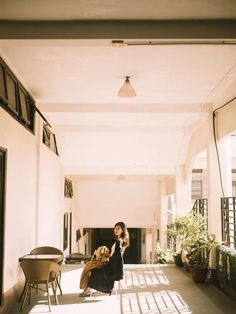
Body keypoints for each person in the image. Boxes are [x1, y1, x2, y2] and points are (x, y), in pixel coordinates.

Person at [79, 221, 129, 296]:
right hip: (111, 265)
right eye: (115, 228)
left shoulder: (119, 241)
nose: (115, 230)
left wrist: (107, 260)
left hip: (112, 268)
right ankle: (88, 289)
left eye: (118, 228)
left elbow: (117, 257)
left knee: (94, 270)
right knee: (93, 268)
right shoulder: (119, 241)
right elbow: (114, 255)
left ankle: (89, 289)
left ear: (122, 230)